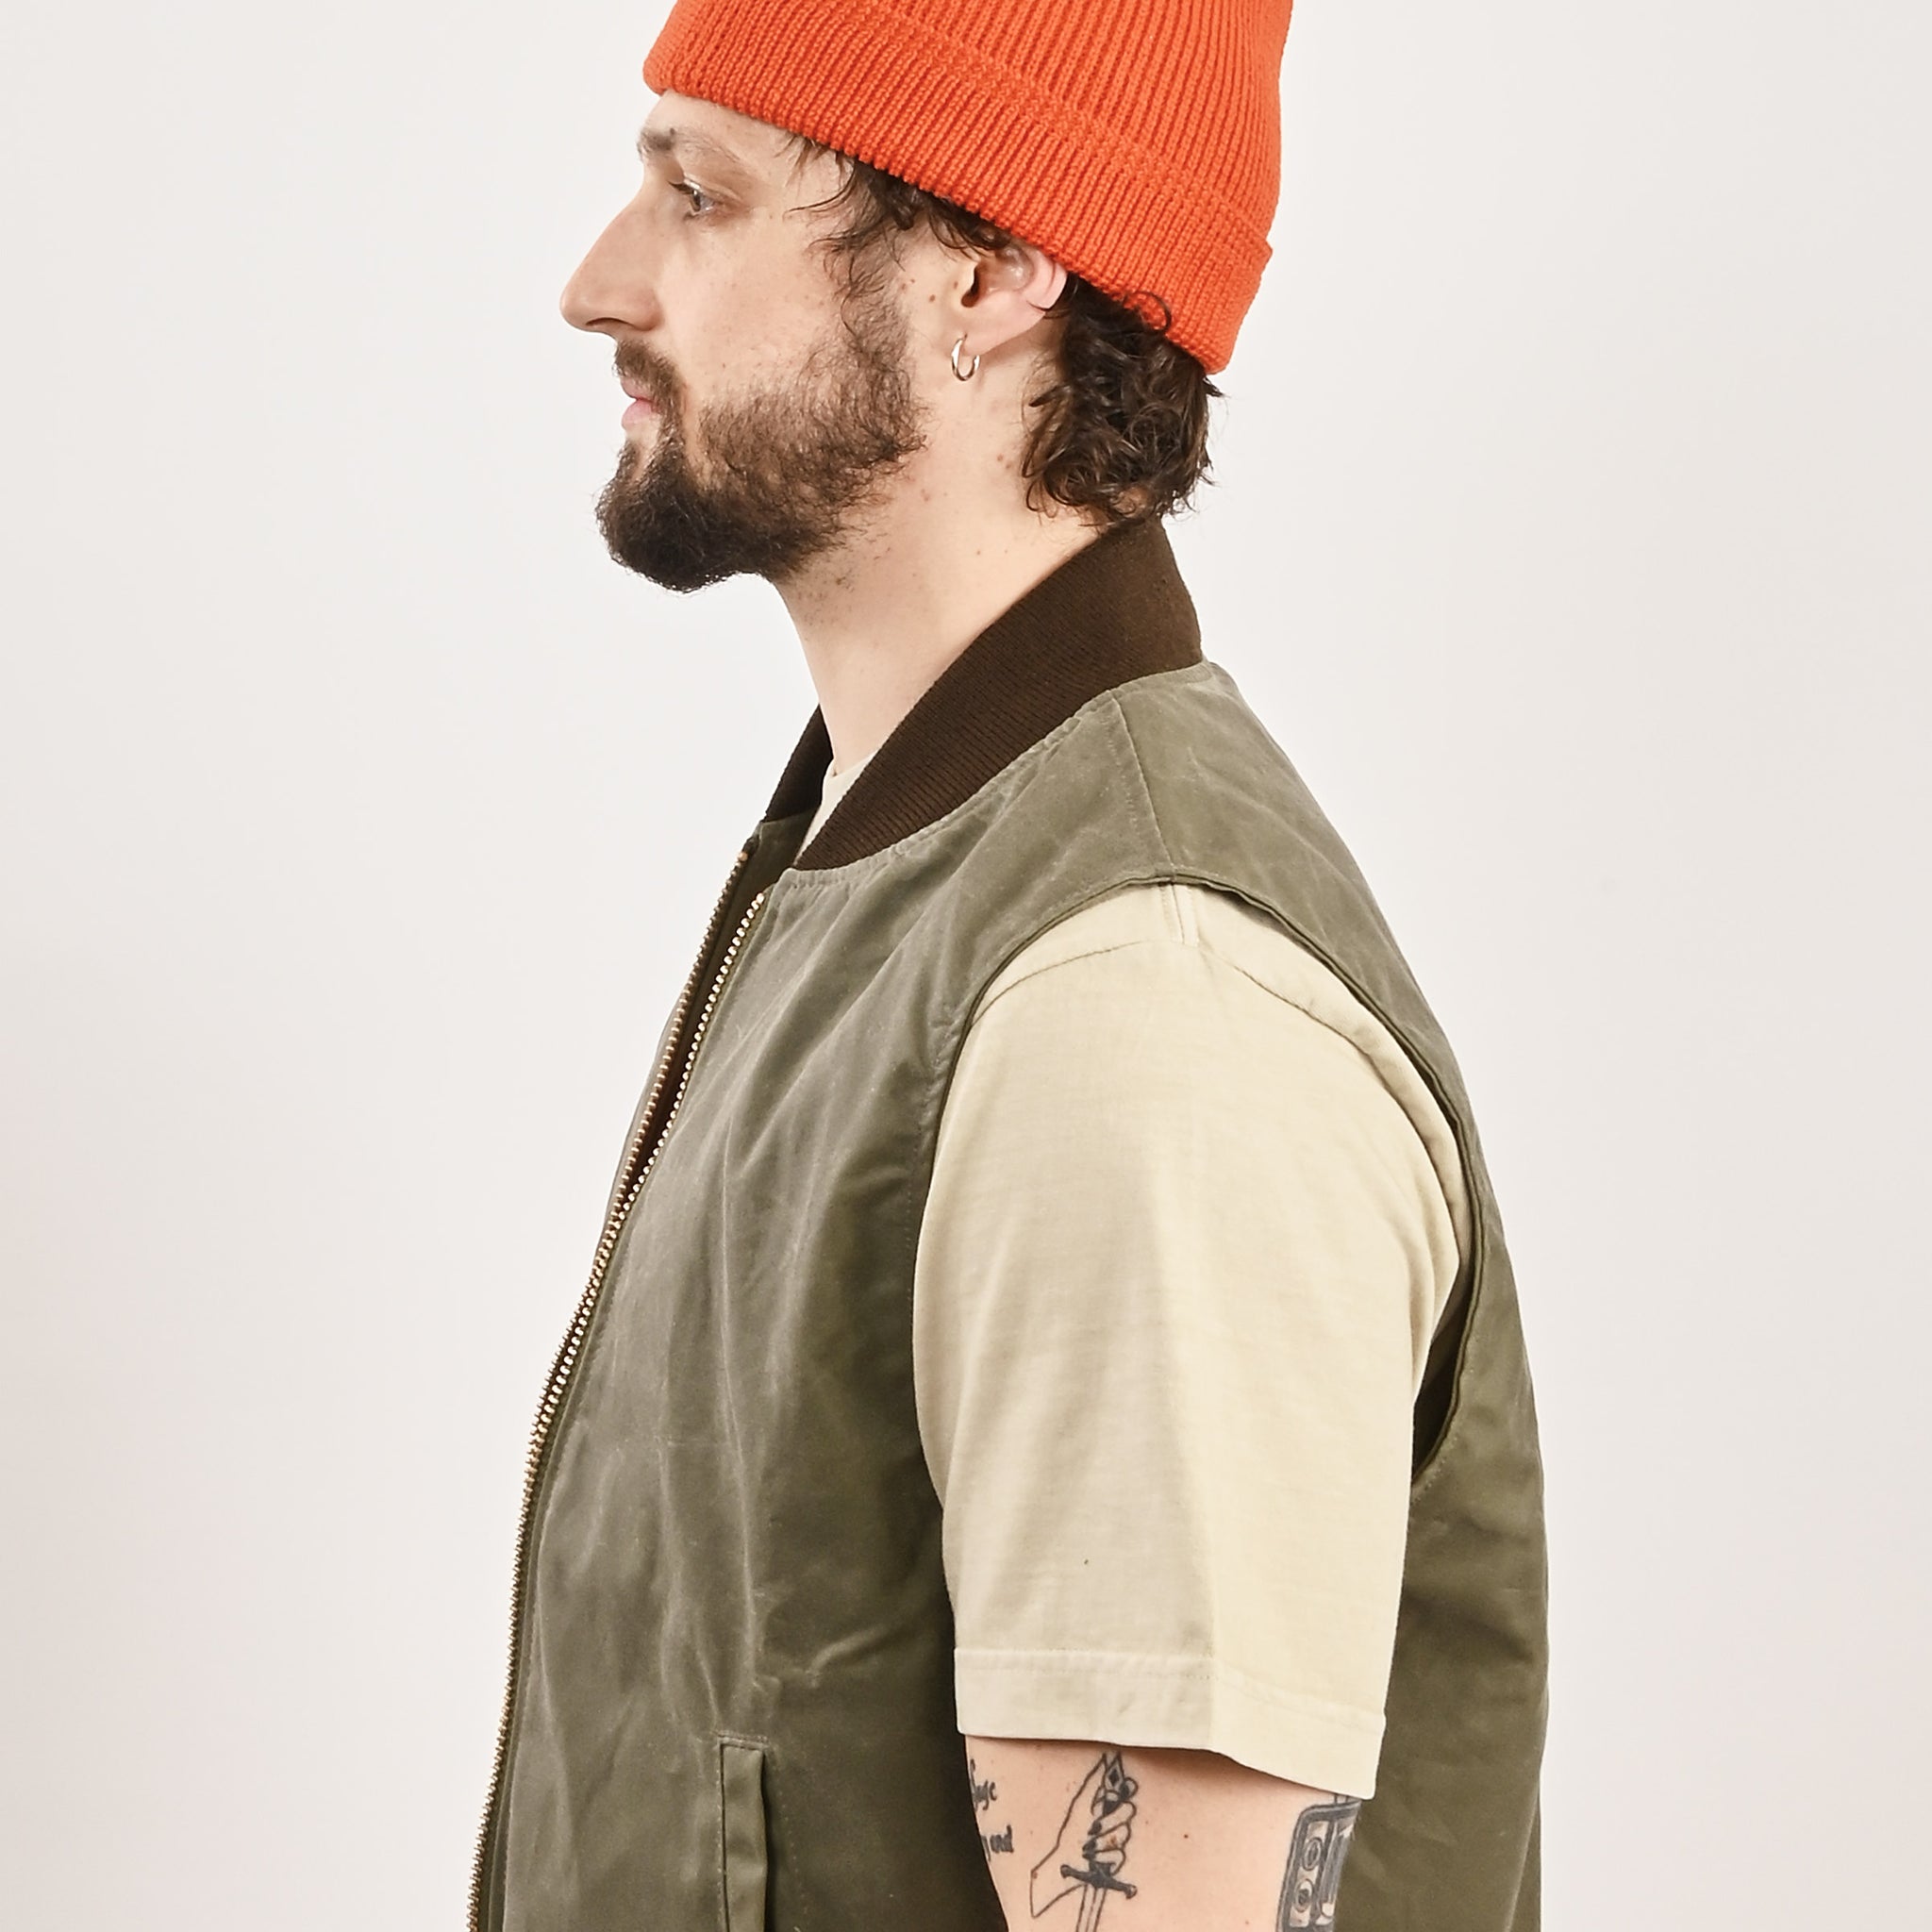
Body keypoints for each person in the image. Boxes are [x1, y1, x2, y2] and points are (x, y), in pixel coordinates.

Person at [471, 5, 1547, 1929]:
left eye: (701, 195)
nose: (598, 285)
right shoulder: (899, 874)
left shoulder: (1132, 1014)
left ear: (985, 269)